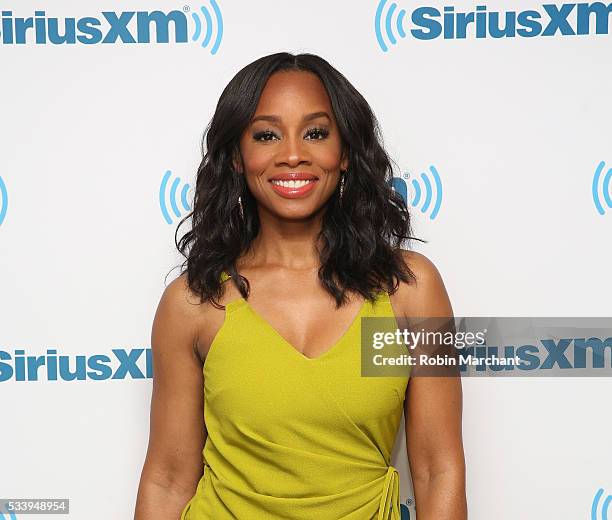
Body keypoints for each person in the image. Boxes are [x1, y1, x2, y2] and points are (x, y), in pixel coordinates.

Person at [134, 52, 467, 520]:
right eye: (266, 135)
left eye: (315, 132)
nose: (292, 154)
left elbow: (438, 470)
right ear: (236, 156)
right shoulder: (195, 303)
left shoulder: (407, 290)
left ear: (346, 151)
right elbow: (167, 479)